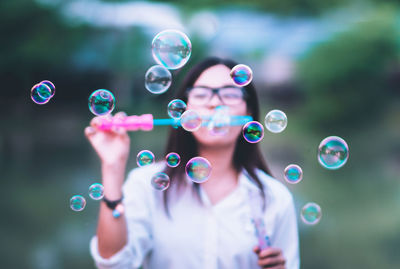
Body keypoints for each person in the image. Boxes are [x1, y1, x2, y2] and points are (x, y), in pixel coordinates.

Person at [85, 57, 300, 269]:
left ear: (248, 113)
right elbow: (114, 265)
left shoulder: (274, 199)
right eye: (201, 93)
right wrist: (112, 166)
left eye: (230, 93)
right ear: (184, 111)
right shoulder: (147, 184)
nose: (215, 103)